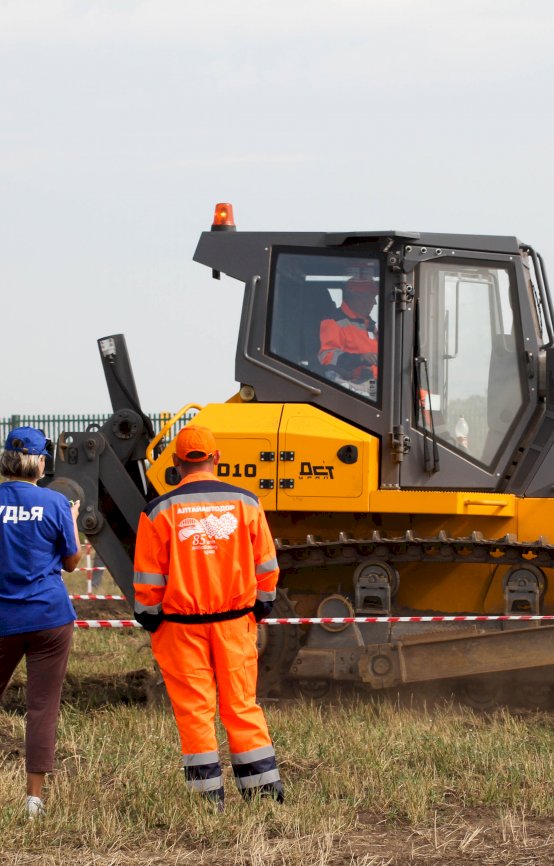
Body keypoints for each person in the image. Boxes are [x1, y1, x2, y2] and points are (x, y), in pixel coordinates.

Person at [131, 425, 284, 809]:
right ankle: (263, 795)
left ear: (178, 464)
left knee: (195, 711)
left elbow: (149, 579)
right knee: (241, 706)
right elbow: (266, 565)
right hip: (235, 623)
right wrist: (260, 606)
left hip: (181, 629)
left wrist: (149, 616)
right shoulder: (247, 503)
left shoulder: (158, 511)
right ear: (216, 459)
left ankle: (207, 803)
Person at [0, 426, 81, 818]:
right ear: (40, 462)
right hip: (49, 616)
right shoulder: (56, 503)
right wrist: (72, 519)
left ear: (7, 460)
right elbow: (72, 562)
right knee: (42, 706)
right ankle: (34, 800)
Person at [318, 277, 378, 392]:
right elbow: (326, 356)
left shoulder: (368, 323)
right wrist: (360, 358)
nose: (374, 302)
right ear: (357, 297)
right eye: (371, 297)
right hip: (352, 386)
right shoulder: (334, 321)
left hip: (373, 382)